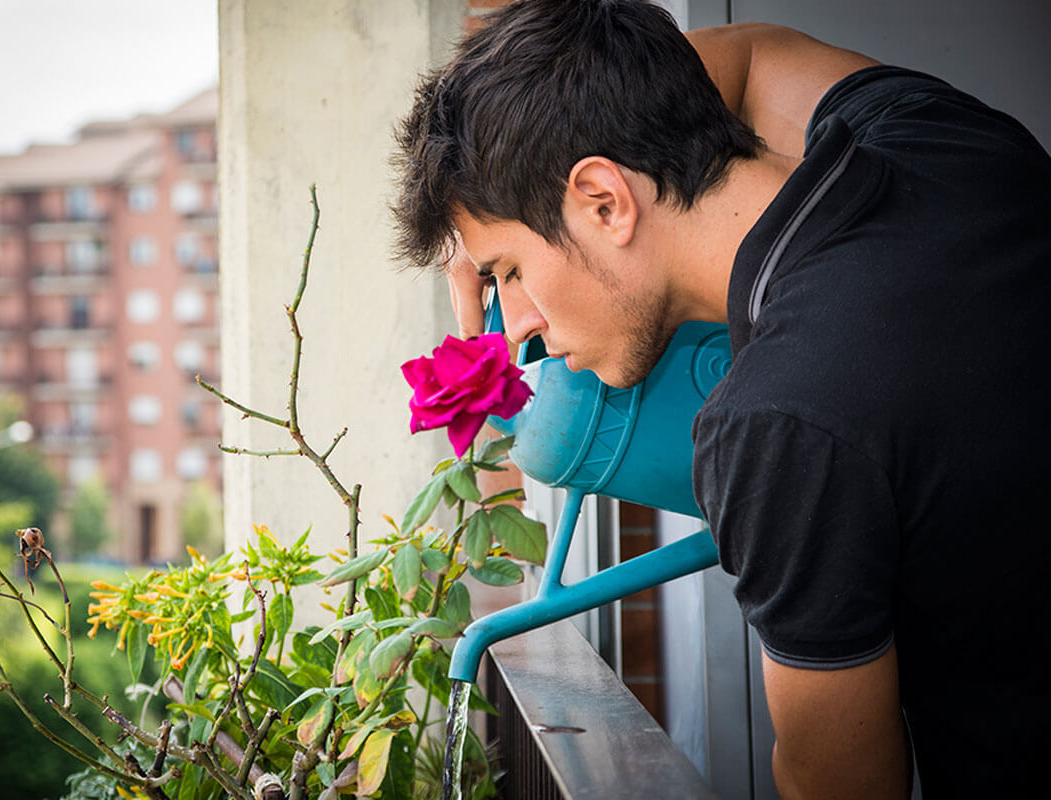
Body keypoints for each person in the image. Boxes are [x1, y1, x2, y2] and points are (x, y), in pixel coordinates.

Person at [389, 1, 1051, 798]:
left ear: (605, 200)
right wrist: (572, 111)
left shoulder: (777, 423)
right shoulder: (927, 132)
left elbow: (840, 786)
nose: (517, 328)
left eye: (509, 271)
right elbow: (751, 55)